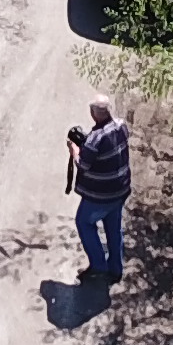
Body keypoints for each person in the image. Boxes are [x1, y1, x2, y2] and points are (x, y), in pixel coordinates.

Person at [64, 96, 131, 284]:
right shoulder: (121, 126)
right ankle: (116, 269)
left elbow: (83, 164)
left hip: (100, 195)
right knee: (113, 228)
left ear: (94, 114)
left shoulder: (94, 139)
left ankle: (99, 266)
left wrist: (75, 150)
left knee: (84, 222)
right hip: (120, 189)